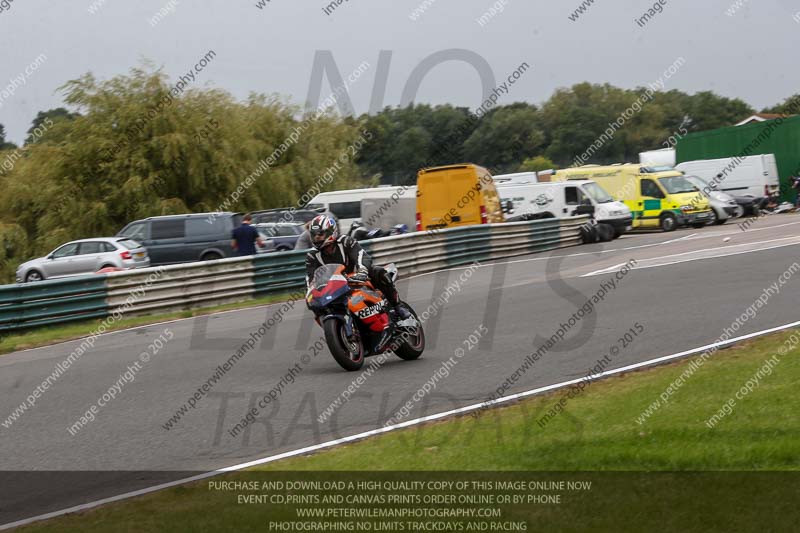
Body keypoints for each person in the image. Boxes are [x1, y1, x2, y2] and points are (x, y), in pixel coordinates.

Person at [304, 215, 410, 319]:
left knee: (378, 271)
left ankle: (397, 305)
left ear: (330, 232)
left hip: (357, 278)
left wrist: (362, 271)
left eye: (320, 234)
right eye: (314, 235)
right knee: (317, 306)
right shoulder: (312, 256)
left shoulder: (346, 241)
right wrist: (311, 292)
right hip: (335, 287)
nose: (317, 238)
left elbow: (361, 256)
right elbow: (312, 279)